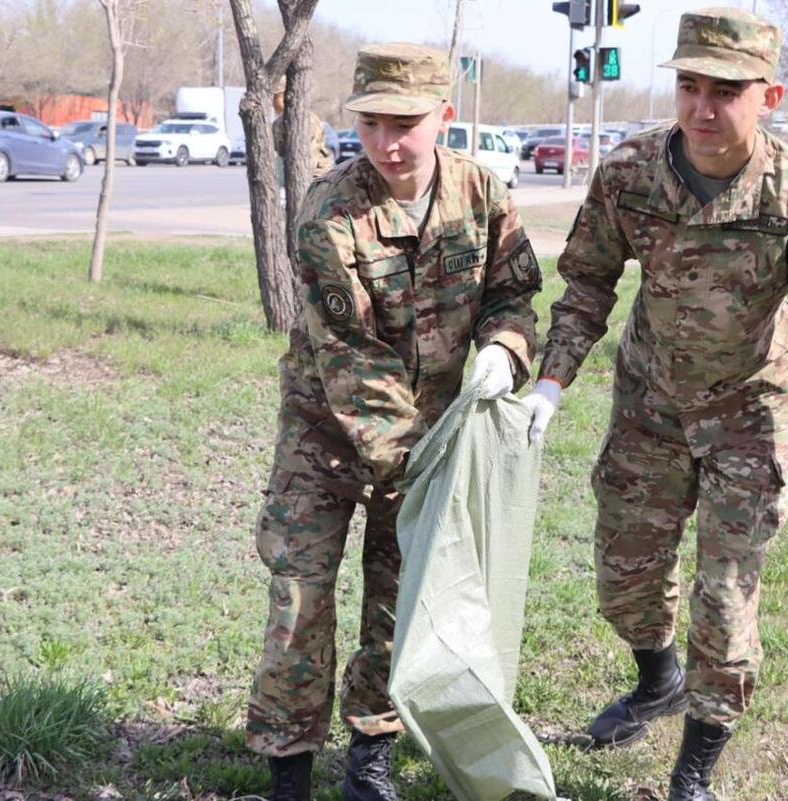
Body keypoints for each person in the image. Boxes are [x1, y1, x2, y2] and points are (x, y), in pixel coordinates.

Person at [520, 8, 788, 800]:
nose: (703, 109)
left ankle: (696, 765)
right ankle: (657, 679)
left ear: (768, 94)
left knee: (724, 598)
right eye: (689, 86)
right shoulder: (631, 172)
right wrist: (550, 382)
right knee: (624, 577)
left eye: (727, 91)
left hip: (750, 409)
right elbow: (587, 284)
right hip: (651, 402)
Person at [247, 43, 541, 801]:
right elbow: (348, 358)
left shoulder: (485, 196)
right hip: (327, 432)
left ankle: (370, 754)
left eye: (405, 123)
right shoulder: (329, 209)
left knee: (398, 593)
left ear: (444, 115)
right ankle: (288, 765)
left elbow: (514, 295)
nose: (387, 143)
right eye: (372, 123)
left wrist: (503, 351)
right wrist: (415, 466)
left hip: (434, 432)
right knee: (300, 597)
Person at [272, 74, 336, 179]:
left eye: (275, 97)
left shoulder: (306, 119)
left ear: (285, 96)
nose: (272, 102)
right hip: (292, 179)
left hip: (316, 178)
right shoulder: (277, 123)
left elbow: (310, 158)